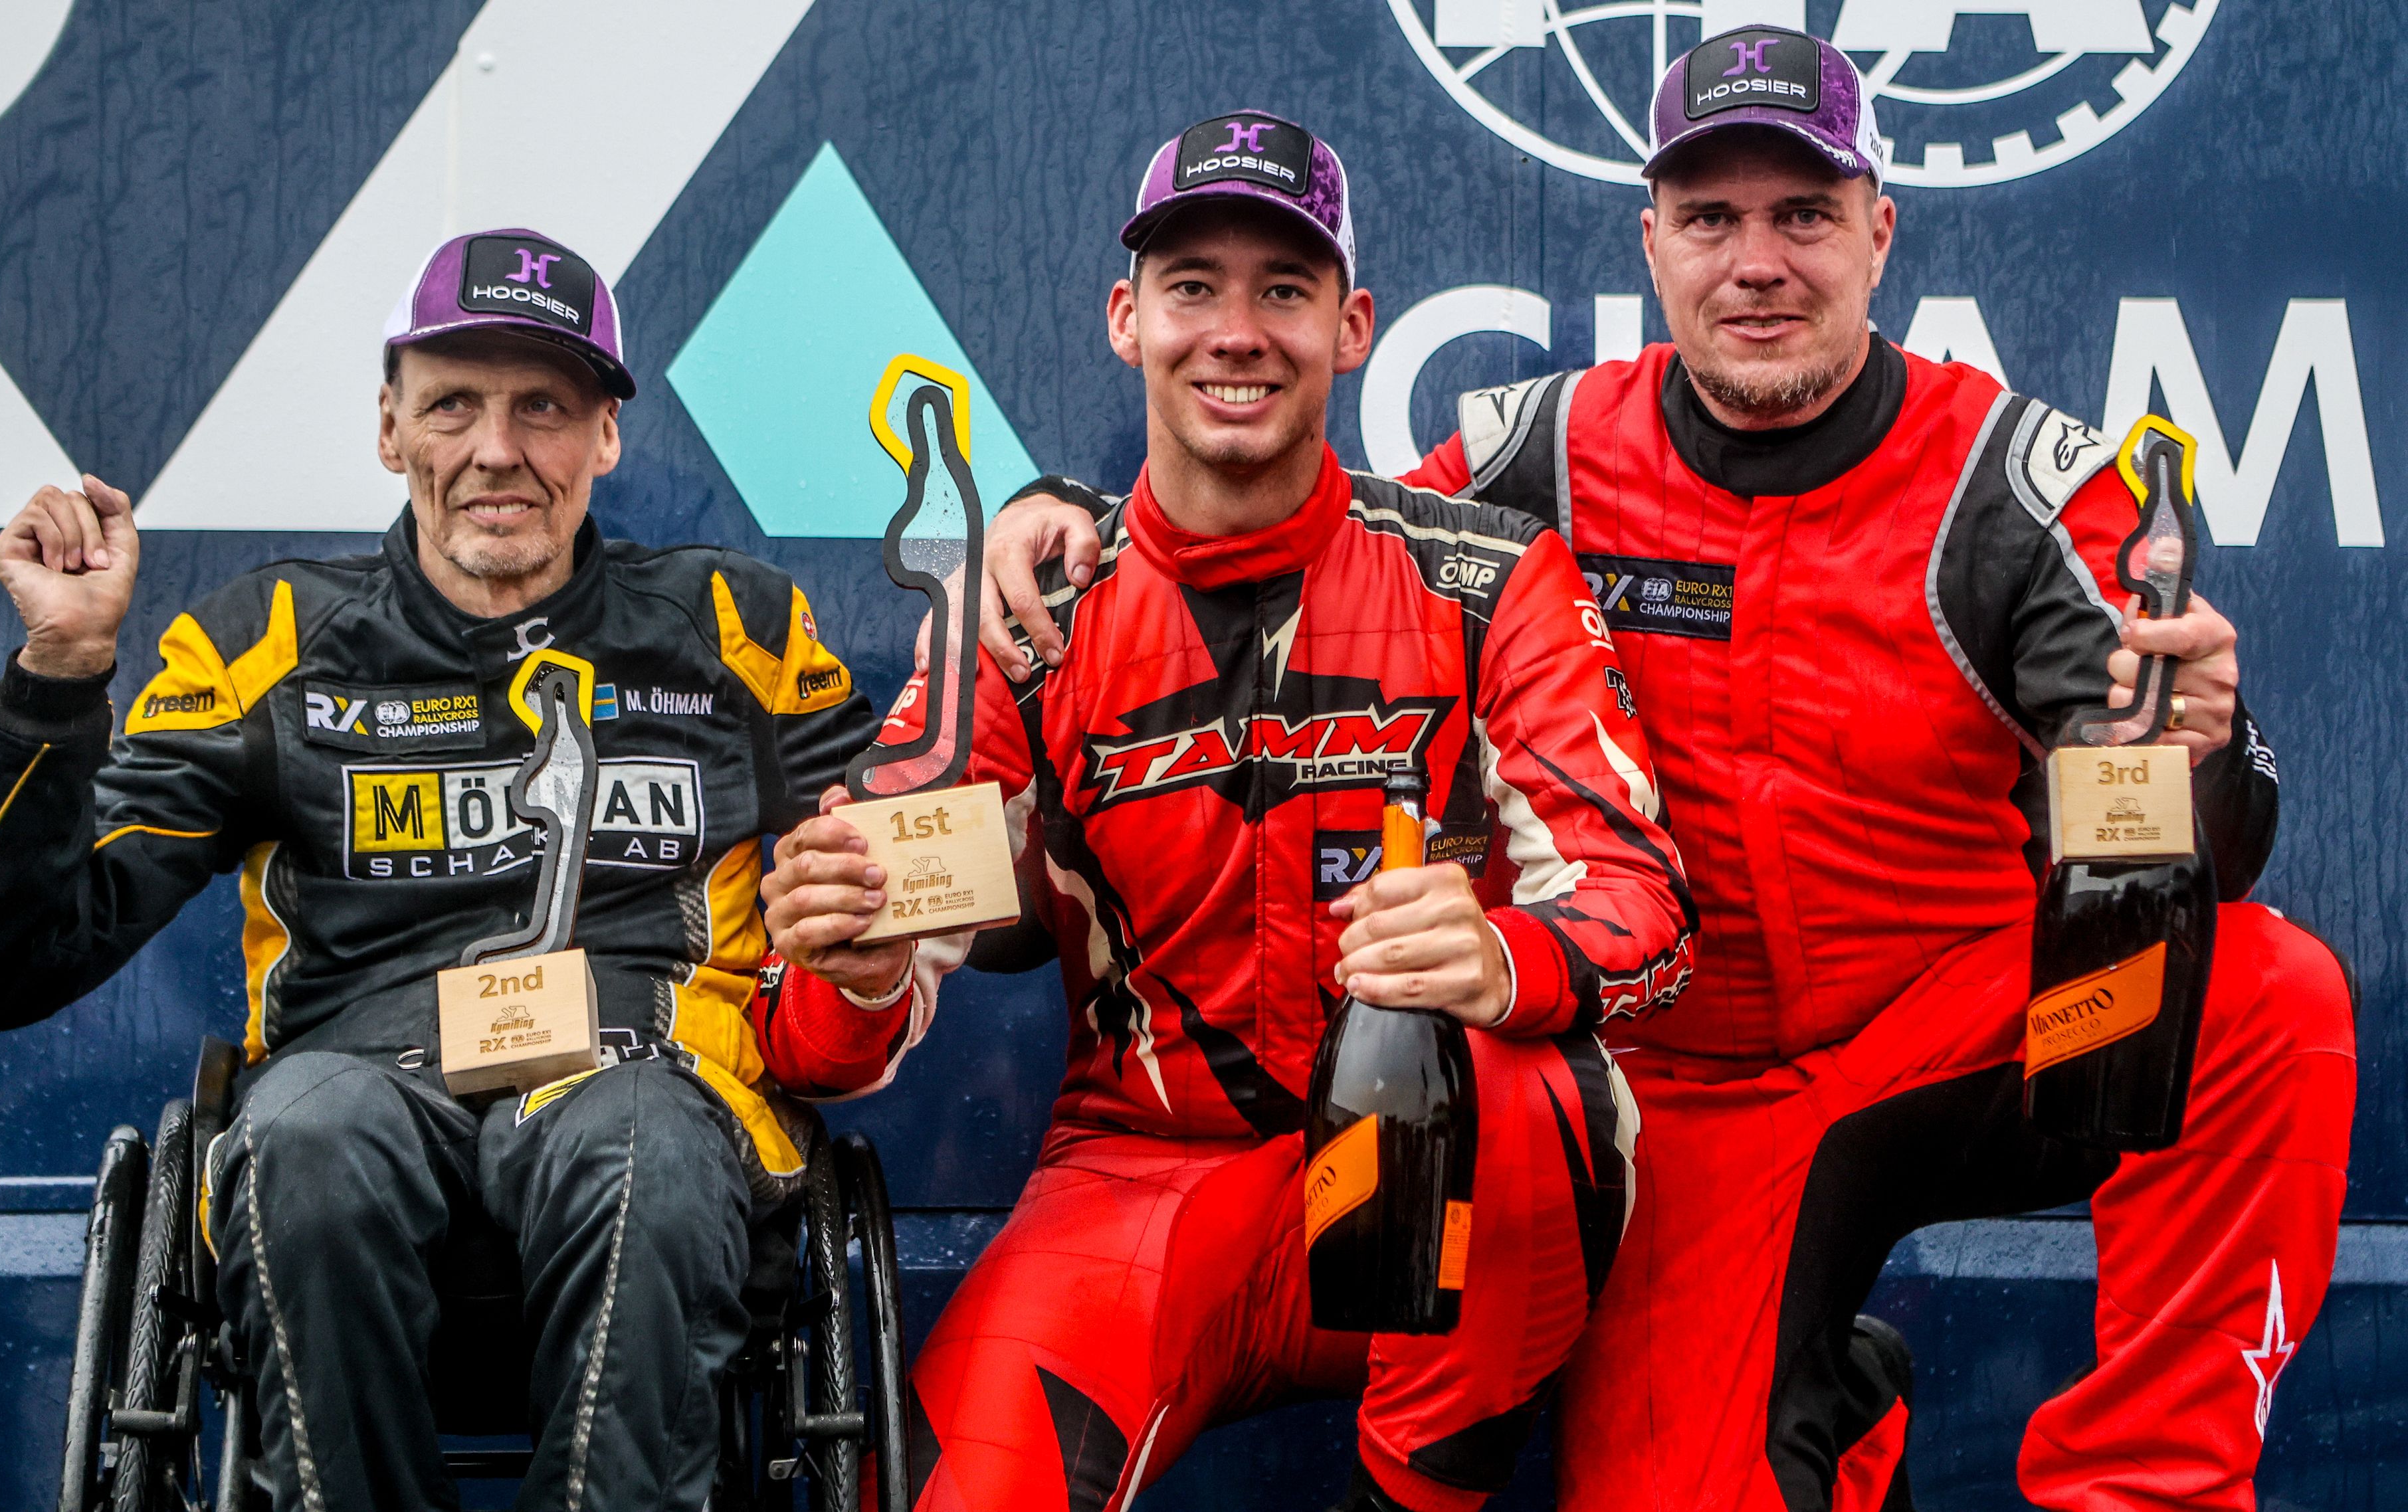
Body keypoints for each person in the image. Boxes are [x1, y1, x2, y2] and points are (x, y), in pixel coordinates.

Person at [983, 33, 2355, 1512]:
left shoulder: (2016, 481)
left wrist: (2201, 753)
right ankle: (1824, 1394)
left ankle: (2146, 1489)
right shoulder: (1535, 454)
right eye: (1711, 219)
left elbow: (2196, 855)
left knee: (2265, 996)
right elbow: (1289, 518)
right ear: (1651, 243)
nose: (1756, 263)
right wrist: (1064, 515)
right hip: (1677, 1098)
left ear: (1879, 232)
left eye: (1803, 216)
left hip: (1944, 1028)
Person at [759, 112, 1696, 1512]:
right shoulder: (1022, 617)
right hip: (1141, 1180)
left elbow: (1649, 913)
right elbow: (826, 1041)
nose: (1236, 331)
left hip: (1420, 1164)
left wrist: (1506, 958)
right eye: (1193, 286)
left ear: (1355, 323)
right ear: (1127, 317)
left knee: (1536, 1087)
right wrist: (849, 962)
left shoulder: (1489, 580)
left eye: (1284, 289)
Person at [0, 228, 913, 1511]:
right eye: (453, 404)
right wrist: (58, 682)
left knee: (645, 1143)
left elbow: (927, 848)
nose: (497, 450)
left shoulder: (738, 629)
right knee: (308, 1142)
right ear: (391, 429)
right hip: (354, 1103)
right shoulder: (264, 645)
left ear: (606, 434)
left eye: (543, 407)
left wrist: (902, 878)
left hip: (651, 1100)